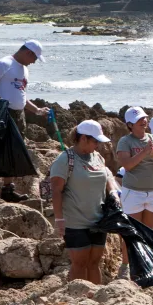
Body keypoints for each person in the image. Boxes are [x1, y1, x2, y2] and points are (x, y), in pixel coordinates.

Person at [0, 40, 50, 202]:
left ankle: (8, 190)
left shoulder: (24, 69)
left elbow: (22, 95)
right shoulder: (4, 63)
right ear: (28, 53)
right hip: (3, 113)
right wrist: (0, 101)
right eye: (34, 58)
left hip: (19, 115)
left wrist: (37, 110)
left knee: (14, 151)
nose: (34, 62)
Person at [50, 120, 113, 285]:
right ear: (83, 138)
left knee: (94, 263)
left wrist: (113, 192)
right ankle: (77, 299)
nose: (98, 145)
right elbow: (56, 190)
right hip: (75, 221)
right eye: (95, 141)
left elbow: (107, 176)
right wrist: (59, 220)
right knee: (79, 263)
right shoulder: (65, 159)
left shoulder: (97, 157)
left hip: (98, 219)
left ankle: (96, 297)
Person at [116, 106, 153, 279]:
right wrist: (144, 153)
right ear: (130, 124)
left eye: (145, 118)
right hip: (133, 192)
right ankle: (126, 266)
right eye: (139, 120)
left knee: (149, 232)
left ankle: (147, 264)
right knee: (130, 232)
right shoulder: (125, 141)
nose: (144, 121)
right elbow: (127, 165)